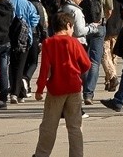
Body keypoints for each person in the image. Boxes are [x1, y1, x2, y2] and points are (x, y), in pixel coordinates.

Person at [32, 11, 90, 157]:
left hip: (56, 89)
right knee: (75, 126)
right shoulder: (75, 42)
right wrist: (78, 71)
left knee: (49, 126)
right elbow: (87, 64)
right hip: (74, 87)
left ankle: (41, 154)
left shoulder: (48, 43)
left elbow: (44, 68)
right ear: (68, 25)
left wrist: (39, 89)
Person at [77, 0, 113, 105]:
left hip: (81, 26)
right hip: (98, 26)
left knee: (80, 59)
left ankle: (81, 88)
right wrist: (102, 20)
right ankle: (89, 93)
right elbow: (109, 9)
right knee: (94, 61)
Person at [6, 0, 40, 104]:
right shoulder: (28, 4)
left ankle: (15, 92)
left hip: (10, 37)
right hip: (25, 38)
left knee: (12, 65)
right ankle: (18, 93)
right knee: (21, 65)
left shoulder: (8, 3)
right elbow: (34, 20)